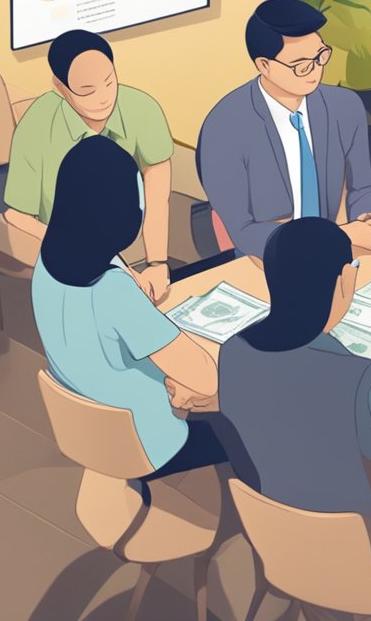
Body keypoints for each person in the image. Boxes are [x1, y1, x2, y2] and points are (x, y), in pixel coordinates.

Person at [31, 135, 229, 482]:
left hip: (89, 418)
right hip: (149, 441)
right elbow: (205, 378)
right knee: (247, 417)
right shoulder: (112, 292)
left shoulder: (48, 260)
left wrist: (129, 273)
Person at [197, 0, 371, 259]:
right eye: (301, 65)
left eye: (321, 56)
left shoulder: (344, 107)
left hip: (336, 255)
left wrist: (368, 220)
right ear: (264, 65)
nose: (316, 71)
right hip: (268, 259)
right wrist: (342, 235)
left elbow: (362, 189)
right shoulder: (224, 127)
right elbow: (244, 231)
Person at [220, 217, 371, 515]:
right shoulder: (359, 374)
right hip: (354, 536)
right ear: (345, 279)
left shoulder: (231, 350)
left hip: (267, 519)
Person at [5, 29, 175, 301]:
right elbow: (17, 215)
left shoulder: (142, 109)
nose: (103, 98)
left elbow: (157, 194)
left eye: (110, 82)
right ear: (60, 87)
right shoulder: (37, 125)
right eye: (86, 91)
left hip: (124, 239)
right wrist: (96, 261)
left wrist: (157, 263)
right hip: (66, 259)